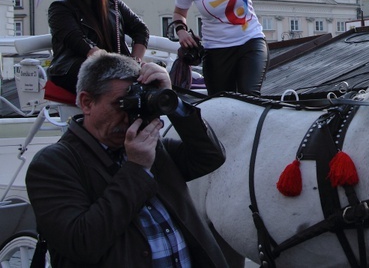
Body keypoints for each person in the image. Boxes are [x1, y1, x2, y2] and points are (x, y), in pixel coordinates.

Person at [26, 51, 228, 267]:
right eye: (121, 104)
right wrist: (137, 168)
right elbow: (81, 243)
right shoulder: (53, 165)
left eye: (136, 105)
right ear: (87, 103)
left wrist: (172, 101)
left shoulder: (154, 149)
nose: (129, 116)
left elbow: (210, 156)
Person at [47, 0, 150, 94]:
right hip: (74, 69)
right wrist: (114, 63)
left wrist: (136, 60)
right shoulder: (60, 7)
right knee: (113, 82)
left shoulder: (112, 2)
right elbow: (75, 38)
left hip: (114, 67)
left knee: (154, 77)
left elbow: (140, 28)